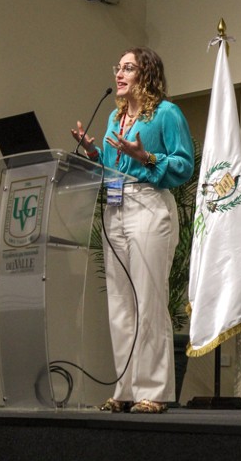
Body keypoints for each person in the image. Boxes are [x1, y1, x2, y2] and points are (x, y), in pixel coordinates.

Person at [71, 47, 195, 413]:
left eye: (128, 68)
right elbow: (113, 164)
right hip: (115, 208)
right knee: (120, 305)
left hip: (149, 206)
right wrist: (95, 156)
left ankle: (153, 392)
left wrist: (147, 157)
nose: (119, 75)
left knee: (148, 300)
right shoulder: (115, 117)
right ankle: (126, 389)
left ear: (147, 74)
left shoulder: (167, 114)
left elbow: (184, 164)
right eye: (118, 68)